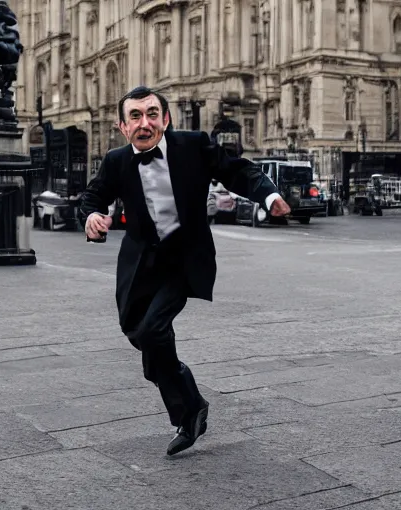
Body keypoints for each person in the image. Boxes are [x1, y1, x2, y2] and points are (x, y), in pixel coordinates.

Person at [78, 86, 291, 456]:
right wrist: (93, 215)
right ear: (122, 126)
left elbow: (236, 170)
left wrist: (269, 196)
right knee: (139, 335)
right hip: (140, 262)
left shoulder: (192, 145)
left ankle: (187, 413)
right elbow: (93, 196)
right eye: (135, 116)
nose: (145, 123)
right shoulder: (116, 161)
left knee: (153, 331)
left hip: (183, 258)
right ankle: (180, 388)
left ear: (166, 119)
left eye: (152, 114)